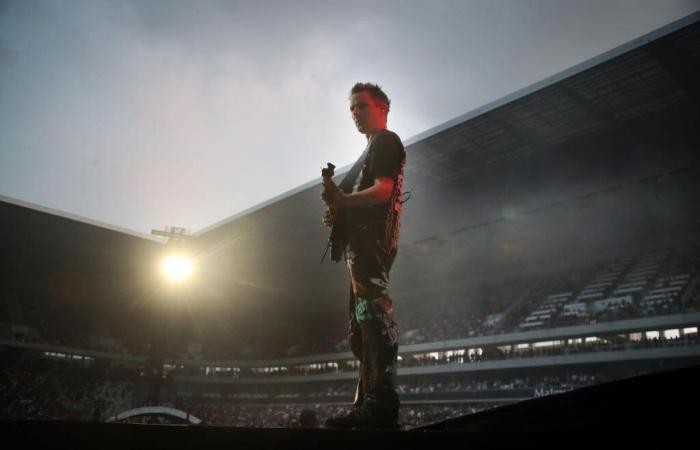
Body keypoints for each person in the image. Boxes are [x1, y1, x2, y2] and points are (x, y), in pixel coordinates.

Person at [321, 82, 406, 430]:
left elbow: (384, 190)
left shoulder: (386, 141)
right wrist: (339, 212)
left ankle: (381, 403)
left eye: (362, 106)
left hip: (371, 243)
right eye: (352, 108)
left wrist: (342, 202)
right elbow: (367, 196)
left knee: (372, 315)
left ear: (383, 107)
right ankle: (367, 403)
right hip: (363, 244)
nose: (356, 113)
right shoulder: (369, 150)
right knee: (361, 326)